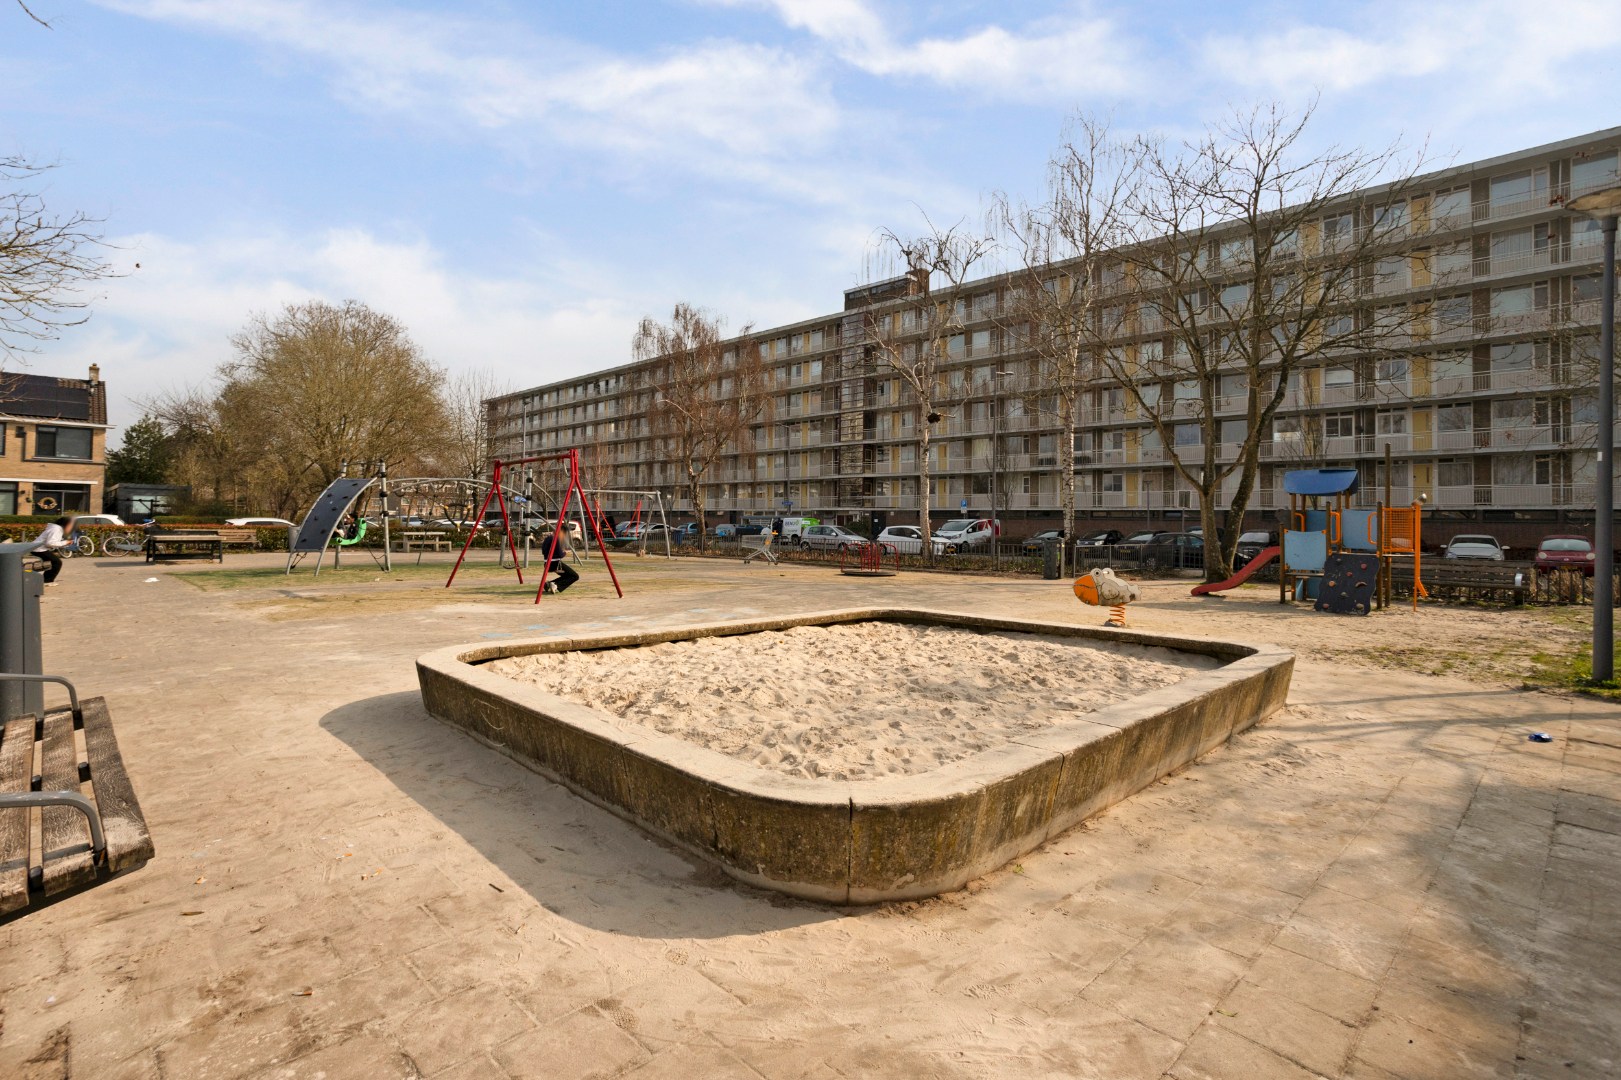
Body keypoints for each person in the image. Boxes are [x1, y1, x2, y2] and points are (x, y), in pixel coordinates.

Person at [32, 515, 76, 586]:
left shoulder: (56, 528)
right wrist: (65, 542)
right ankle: (47, 581)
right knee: (57, 562)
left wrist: (64, 542)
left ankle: (44, 579)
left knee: (51, 562)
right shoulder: (56, 529)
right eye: (70, 526)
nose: (71, 528)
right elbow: (50, 543)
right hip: (39, 549)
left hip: (39, 548)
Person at [541, 529, 579, 594]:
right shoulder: (556, 539)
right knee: (575, 576)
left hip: (546, 563)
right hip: (555, 563)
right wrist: (565, 552)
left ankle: (549, 583)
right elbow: (560, 554)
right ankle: (556, 585)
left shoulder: (547, 538)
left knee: (567, 575)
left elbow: (543, 551)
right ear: (561, 532)